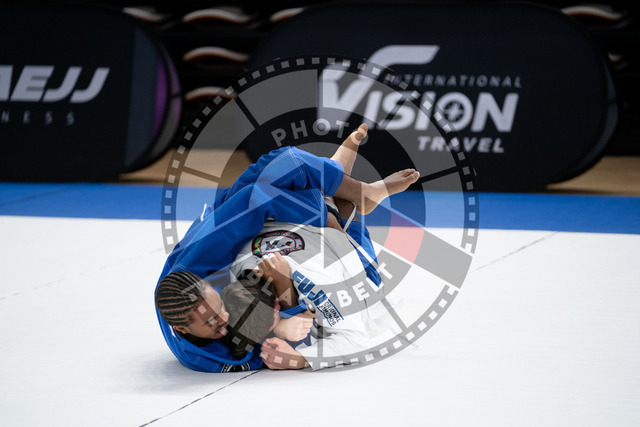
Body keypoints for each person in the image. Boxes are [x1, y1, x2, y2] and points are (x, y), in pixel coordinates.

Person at [155, 124, 420, 372]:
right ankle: (342, 189)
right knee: (339, 211)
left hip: (244, 227)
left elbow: (254, 201)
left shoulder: (212, 270)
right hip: (346, 266)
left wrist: (322, 220)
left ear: (215, 287)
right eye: (212, 322)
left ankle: (346, 186)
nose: (223, 321)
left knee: (288, 164)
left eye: (220, 309)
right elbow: (349, 339)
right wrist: (292, 347)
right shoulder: (204, 354)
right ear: (181, 329)